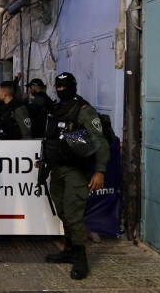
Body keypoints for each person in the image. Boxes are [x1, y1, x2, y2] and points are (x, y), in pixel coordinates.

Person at [44, 72, 109, 280]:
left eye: (64, 86)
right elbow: (52, 139)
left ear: (72, 86)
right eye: (58, 86)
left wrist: (100, 171)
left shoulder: (84, 110)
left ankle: (81, 258)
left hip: (75, 171)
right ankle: (69, 249)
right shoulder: (56, 109)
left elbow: (100, 141)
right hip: (57, 169)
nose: (60, 90)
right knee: (62, 211)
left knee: (74, 215)